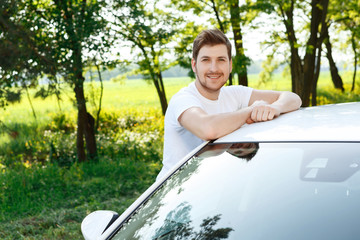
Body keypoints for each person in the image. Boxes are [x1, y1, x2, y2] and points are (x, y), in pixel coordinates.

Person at [156, 29, 302, 181]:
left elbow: (293, 98)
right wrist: (252, 110)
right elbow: (208, 129)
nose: (214, 68)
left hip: (206, 188)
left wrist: (274, 108)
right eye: (206, 60)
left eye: (221, 60)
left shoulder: (234, 94)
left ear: (230, 65)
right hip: (173, 194)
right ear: (194, 65)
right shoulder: (183, 99)